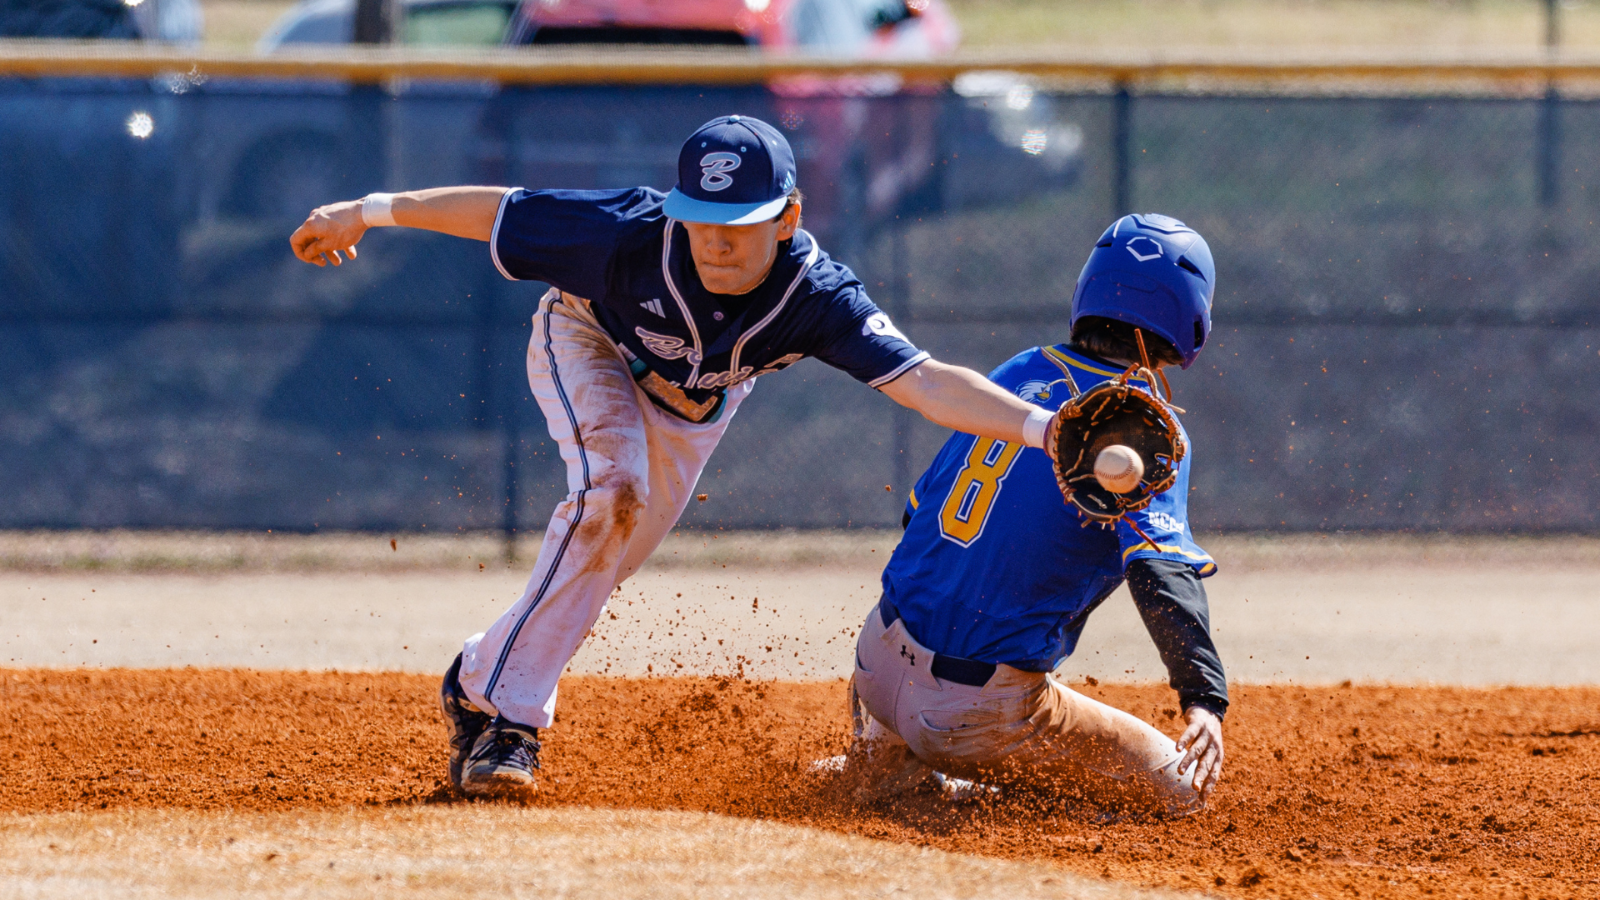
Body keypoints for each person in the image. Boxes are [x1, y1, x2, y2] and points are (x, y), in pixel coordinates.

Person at [290, 115, 1064, 797]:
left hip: (694, 410)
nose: (716, 239)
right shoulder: (629, 232)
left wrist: (1047, 430)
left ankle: (474, 682)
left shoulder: (817, 296)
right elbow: (499, 210)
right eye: (700, 216)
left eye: (743, 219)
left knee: (605, 559)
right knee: (611, 495)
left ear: (790, 217)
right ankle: (510, 724)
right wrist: (366, 212)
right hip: (585, 339)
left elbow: (926, 382)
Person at [839, 213, 1228, 819]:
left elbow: (920, 510)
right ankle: (959, 775)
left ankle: (887, 758)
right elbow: (1162, 575)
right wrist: (1203, 698)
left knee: (909, 756)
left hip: (874, 661)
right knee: (1184, 790)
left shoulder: (1018, 371)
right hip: (972, 713)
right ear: (1192, 319)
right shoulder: (1146, 430)